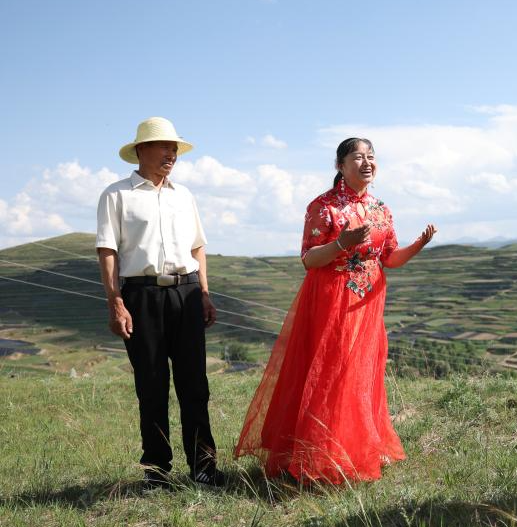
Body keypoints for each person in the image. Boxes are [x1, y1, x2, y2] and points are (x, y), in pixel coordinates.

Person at [235, 137, 437, 484]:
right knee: (331, 373)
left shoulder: (380, 208)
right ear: (340, 166)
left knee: (362, 373)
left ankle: (357, 448)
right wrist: (342, 243)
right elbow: (309, 259)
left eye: (371, 156)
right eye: (358, 157)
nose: (367, 162)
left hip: (368, 303)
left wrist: (419, 244)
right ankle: (317, 455)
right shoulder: (324, 206)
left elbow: (390, 258)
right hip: (332, 300)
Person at [96, 117, 221, 490]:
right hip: (142, 296)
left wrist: (204, 292)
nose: (172, 154)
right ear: (141, 150)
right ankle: (157, 471)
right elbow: (107, 251)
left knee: (195, 384)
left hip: (187, 293)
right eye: (164, 147)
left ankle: (204, 467)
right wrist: (116, 302)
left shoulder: (184, 195)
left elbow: (197, 247)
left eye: (175, 148)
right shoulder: (116, 195)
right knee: (151, 385)